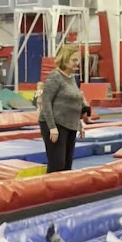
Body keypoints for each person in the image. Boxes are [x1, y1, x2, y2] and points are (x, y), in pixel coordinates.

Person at [39, 45, 87, 173]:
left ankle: (63, 192)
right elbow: (46, 101)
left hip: (70, 125)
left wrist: (80, 123)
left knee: (67, 164)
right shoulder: (55, 77)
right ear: (65, 60)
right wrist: (52, 127)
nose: (77, 63)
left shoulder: (71, 78)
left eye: (78, 60)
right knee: (57, 163)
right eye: (74, 60)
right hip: (55, 124)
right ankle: (50, 192)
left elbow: (74, 103)